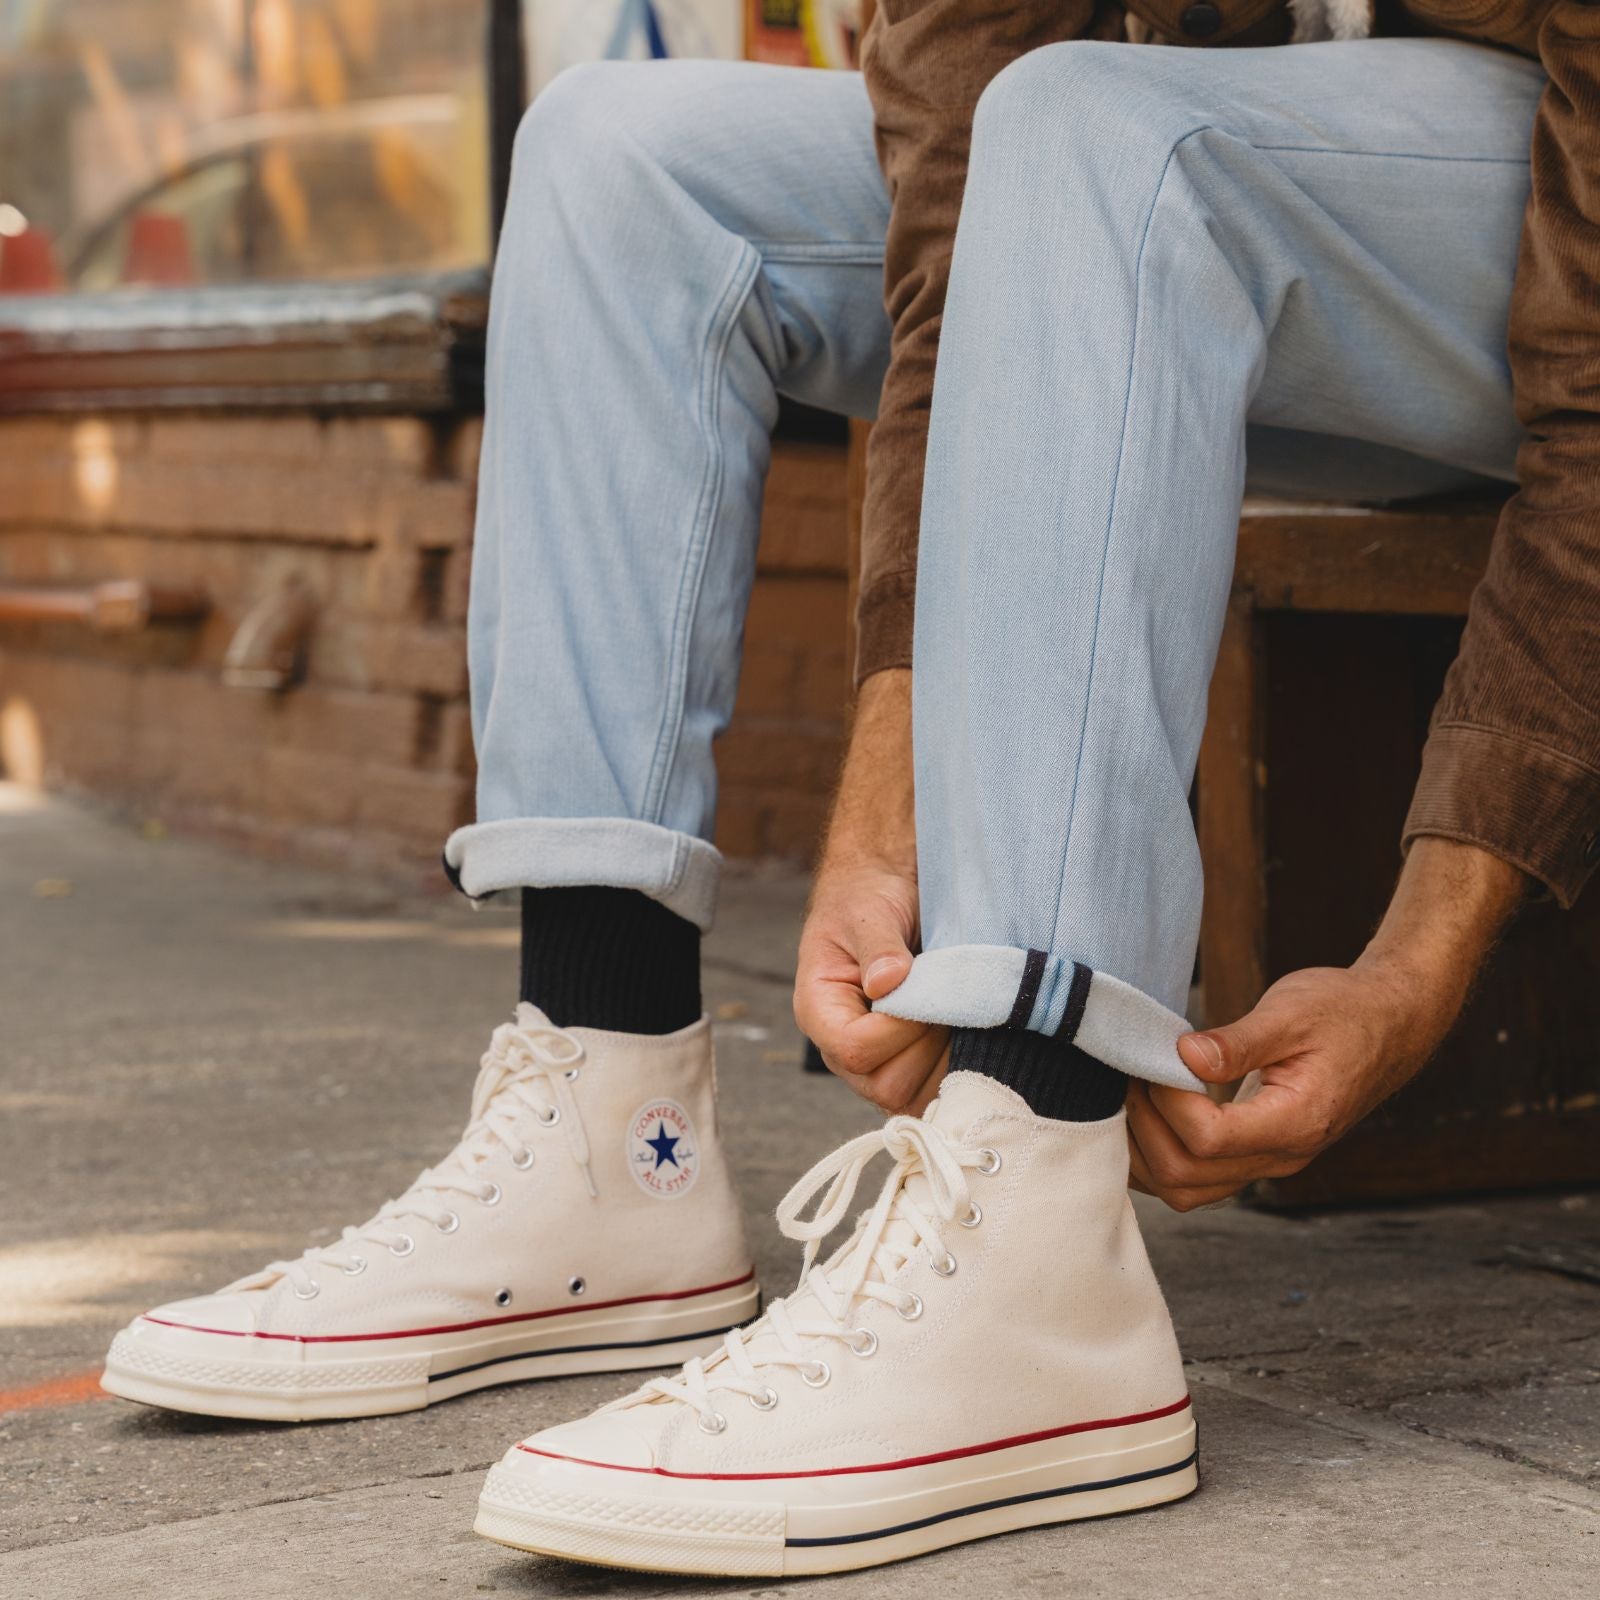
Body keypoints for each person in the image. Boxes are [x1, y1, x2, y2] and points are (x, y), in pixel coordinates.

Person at [102, 0, 1597, 1578]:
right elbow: (952, 219)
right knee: (629, 157)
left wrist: (1417, 962)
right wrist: (887, 786)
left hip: (1527, 244)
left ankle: (1039, 1237)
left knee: (1100, 126)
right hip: (1228, 203)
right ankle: (609, 1133)